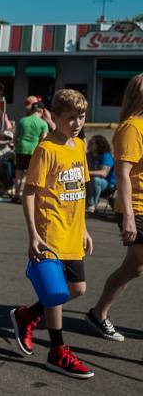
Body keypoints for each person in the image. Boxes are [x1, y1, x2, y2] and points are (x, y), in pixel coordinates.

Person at [9, 89, 94, 379]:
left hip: (72, 231)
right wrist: (33, 234)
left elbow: (80, 191)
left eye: (81, 116)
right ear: (54, 117)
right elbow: (29, 193)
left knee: (77, 288)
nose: (77, 123)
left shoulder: (78, 146)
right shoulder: (46, 149)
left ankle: (29, 314)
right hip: (50, 231)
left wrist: (83, 228)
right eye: (70, 117)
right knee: (57, 293)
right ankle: (57, 351)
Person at [85, 73, 143, 342]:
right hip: (137, 208)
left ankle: (98, 313)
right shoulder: (132, 127)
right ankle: (99, 314)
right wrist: (128, 217)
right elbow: (122, 174)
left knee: (134, 267)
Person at [13, 99, 49, 202]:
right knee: (31, 174)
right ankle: (27, 196)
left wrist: (16, 147)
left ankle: (16, 195)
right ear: (41, 111)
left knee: (19, 173)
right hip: (34, 151)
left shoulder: (23, 120)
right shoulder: (43, 123)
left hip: (21, 148)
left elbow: (15, 137)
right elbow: (43, 139)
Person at [86, 135, 115, 214]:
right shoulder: (88, 155)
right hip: (92, 181)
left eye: (92, 142)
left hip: (108, 184)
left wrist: (85, 173)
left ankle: (92, 204)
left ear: (98, 145)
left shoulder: (106, 156)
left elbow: (104, 173)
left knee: (96, 180)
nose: (89, 143)